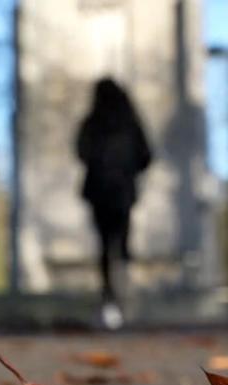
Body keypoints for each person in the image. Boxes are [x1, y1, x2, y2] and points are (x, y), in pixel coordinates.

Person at [76, 77, 152, 328]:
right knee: (121, 241)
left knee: (105, 246)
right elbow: (146, 156)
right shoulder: (130, 124)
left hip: (100, 191)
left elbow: (80, 151)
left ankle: (111, 298)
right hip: (121, 191)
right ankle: (125, 295)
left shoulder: (93, 122)